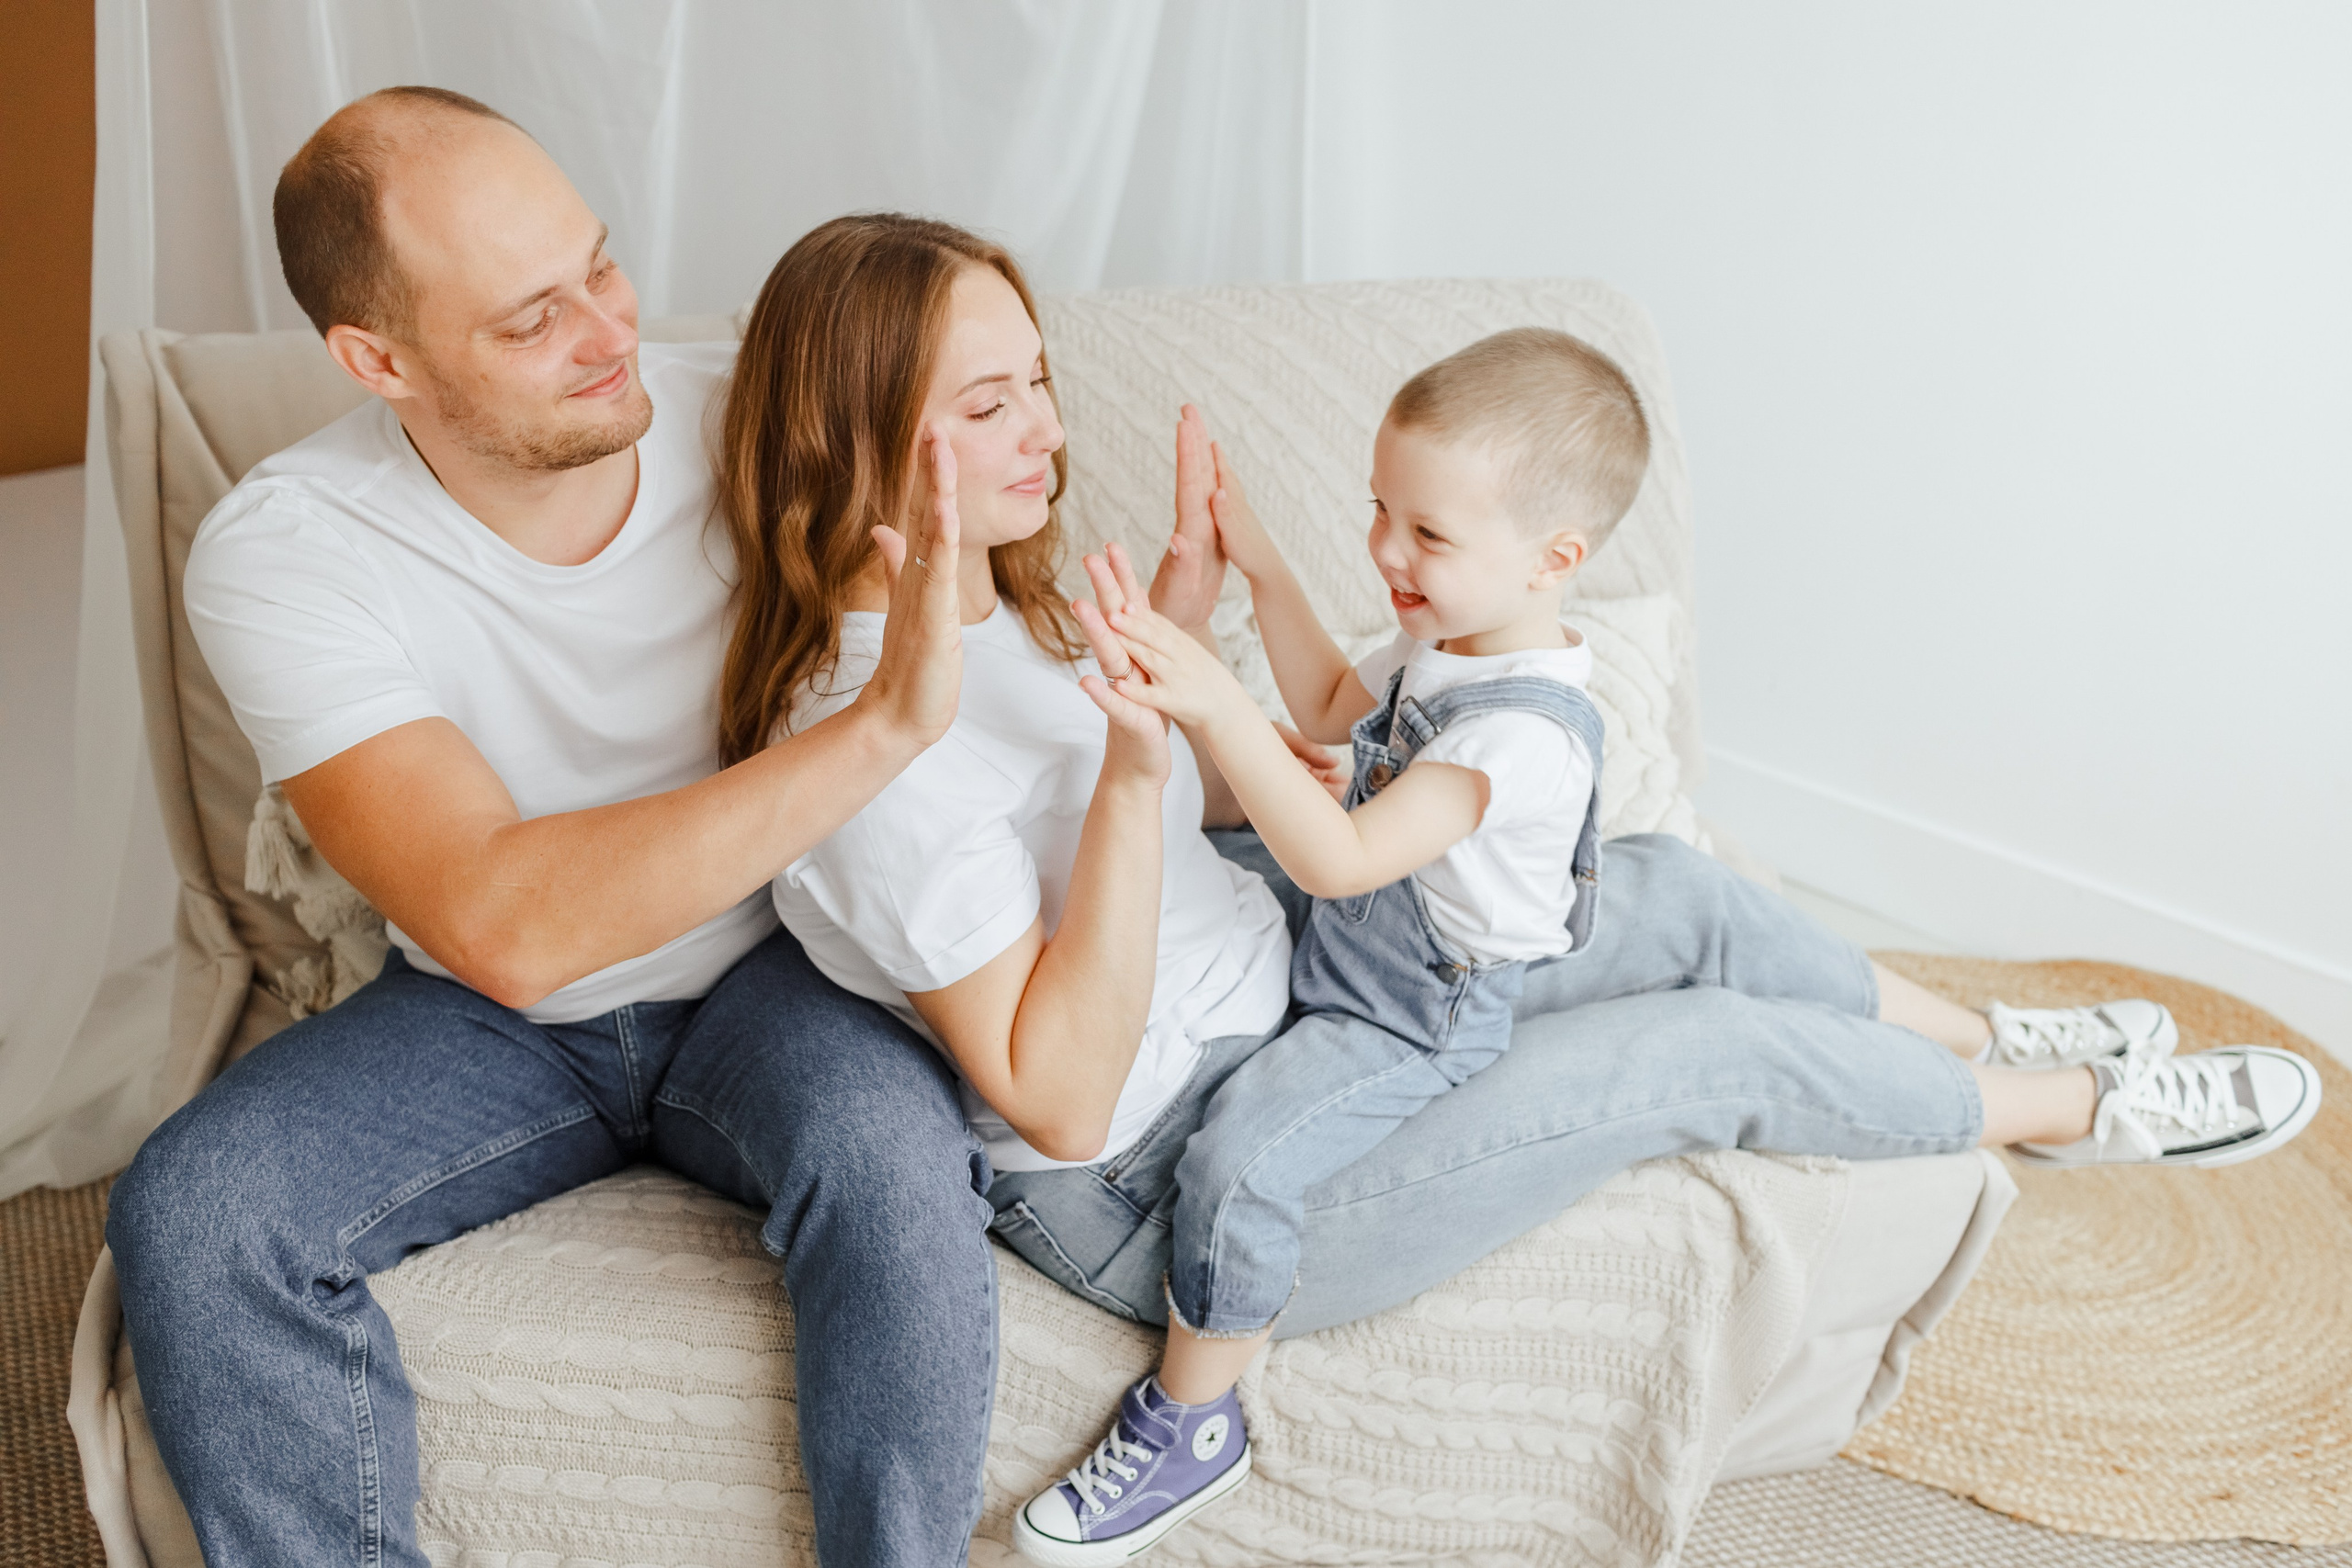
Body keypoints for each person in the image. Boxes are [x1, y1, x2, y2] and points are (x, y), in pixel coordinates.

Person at [726, 213, 2324, 1565]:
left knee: (1676, 895)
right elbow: (1068, 1098)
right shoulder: (868, 759)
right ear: (848, 441)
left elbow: (1249, 784)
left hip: (1317, 962)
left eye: (1044, 387)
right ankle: (2075, 1110)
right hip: (1181, 1152)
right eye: (994, 403)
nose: (1054, 436)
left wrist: (1201, 625)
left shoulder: (1002, 615)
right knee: (1702, 1057)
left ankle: (1988, 1031)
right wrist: (1158, 759)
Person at [104, 89, 993, 1568]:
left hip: (785, 968)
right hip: (488, 1021)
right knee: (196, 1213)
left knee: (892, 1155)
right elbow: (503, 927)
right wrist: (877, 729)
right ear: (377, 359)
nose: (606, 330)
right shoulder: (287, 551)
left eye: (602, 264)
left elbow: (1015, 603)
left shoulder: (755, 418)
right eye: (530, 319)